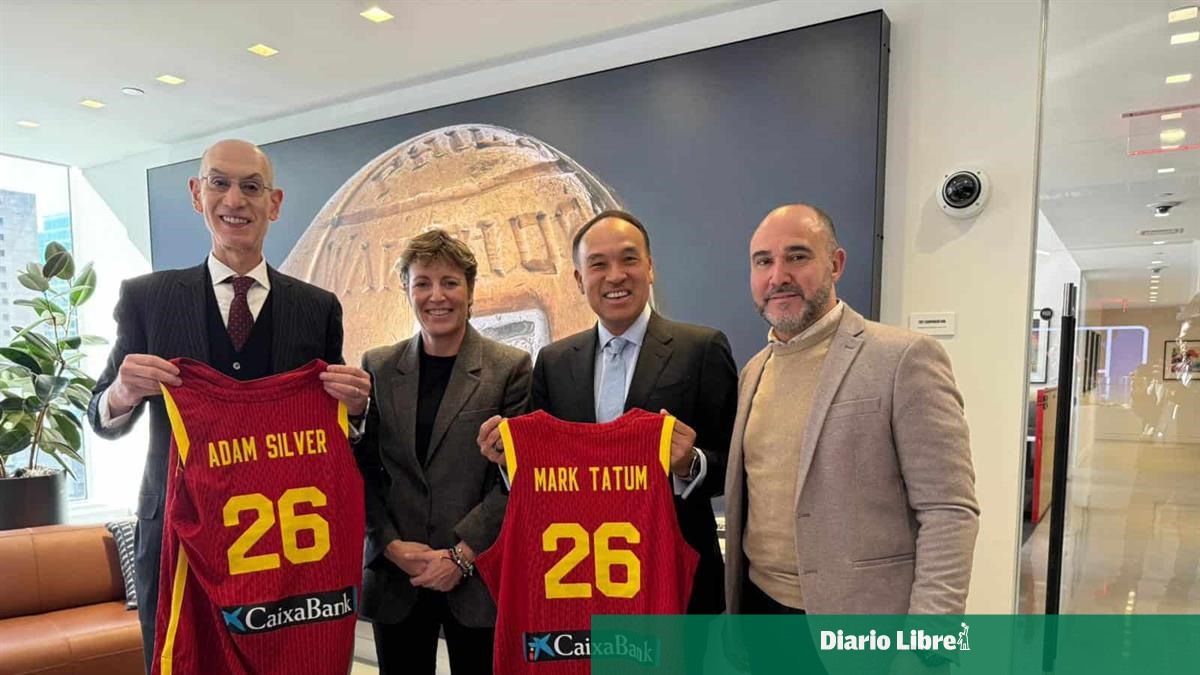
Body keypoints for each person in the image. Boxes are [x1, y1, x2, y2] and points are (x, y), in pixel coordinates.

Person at [87, 139, 371, 672]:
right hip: (177, 540)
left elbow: (334, 428)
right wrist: (122, 392)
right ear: (197, 194)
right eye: (219, 183)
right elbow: (100, 415)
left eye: (251, 187)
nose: (234, 200)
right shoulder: (148, 298)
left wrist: (354, 412)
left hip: (282, 546)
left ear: (274, 203)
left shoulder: (317, 308)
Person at [724, 203, 979, 670]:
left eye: (797, 256)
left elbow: (949, 509)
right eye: (763, 261)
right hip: (762, 616)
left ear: (836, 264)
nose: (778, 276)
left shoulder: (904, 358)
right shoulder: (754, 372)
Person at [478, 210, 738, 617]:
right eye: (598, 264)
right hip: (580, 580)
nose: (616, 276)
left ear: (650, 268)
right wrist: (510, 461)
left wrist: (691, 463)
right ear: (579, 279)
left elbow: (735, 467)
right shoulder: (554, 362)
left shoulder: (701, 349)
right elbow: (543, 475)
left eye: (629, 259)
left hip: (676, 580)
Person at [355, 229, 532, 674]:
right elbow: (364, 470)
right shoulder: (378, 366)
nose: (437, 296)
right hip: (399, 578)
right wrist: (390, 545)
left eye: (450, 282)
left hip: (478, 579)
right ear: (407, 291)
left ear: (470, 291)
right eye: (423, 283)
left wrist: (461, 556)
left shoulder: (510, 369)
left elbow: (517, 479)